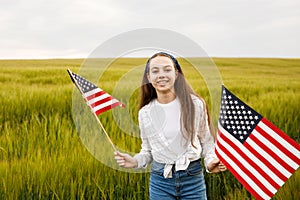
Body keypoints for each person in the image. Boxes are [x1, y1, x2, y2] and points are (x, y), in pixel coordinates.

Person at [114, 52, 226, 200]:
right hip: (160, 181)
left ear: (177, 73)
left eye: (167, 69)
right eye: (155, 71)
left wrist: (211, 163)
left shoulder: (195, 104)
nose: (161, 75)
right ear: (148, 77)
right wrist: (134, 161)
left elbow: (206, 141)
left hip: (192, 178)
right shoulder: (145, 113)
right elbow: (147, 151)